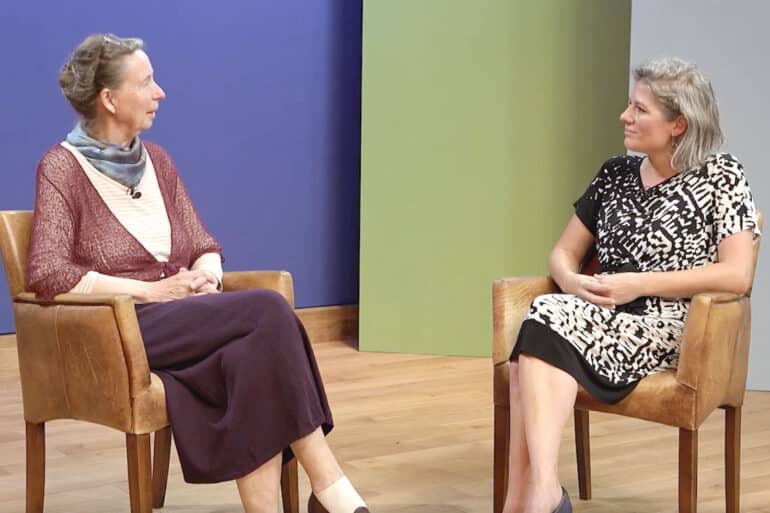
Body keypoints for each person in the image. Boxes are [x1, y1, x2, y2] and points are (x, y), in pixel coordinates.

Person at [26, 33, 369, 513]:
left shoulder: (158, 162)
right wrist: (152, 292)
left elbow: (204, 244)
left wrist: (208, 277)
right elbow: (48, 273)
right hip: (124, 327)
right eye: (145, 82)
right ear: (109, 99)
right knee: (269, 309)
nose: (160, 92)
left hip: (186, 318)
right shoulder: (61, 168)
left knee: (250, 356)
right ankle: (331, 488)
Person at [503, 57, 760, 513]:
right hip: (600, 315)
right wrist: (572, 282)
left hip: (675, 327)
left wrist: (639, 284)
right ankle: (540, 493)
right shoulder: (615, 174)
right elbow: (562, 253)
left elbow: (737, 273)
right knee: (540, 330)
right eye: (629, 105)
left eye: (639, 109)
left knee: (536, 338)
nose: (625, 116)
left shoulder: (722, 176)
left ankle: (532, 498)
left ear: (678, 124)